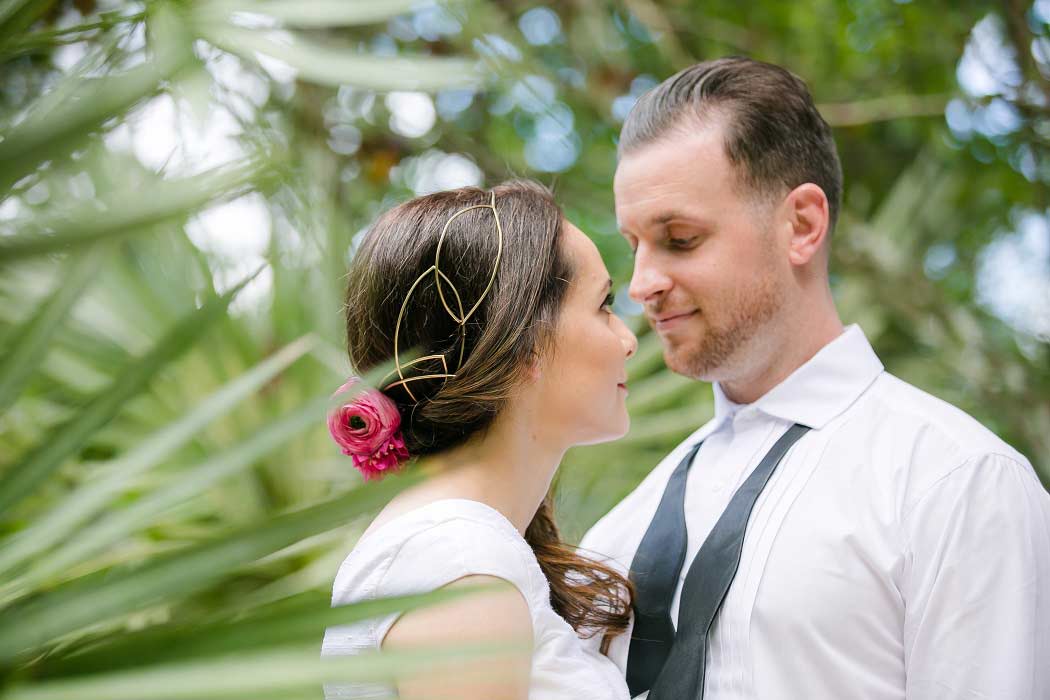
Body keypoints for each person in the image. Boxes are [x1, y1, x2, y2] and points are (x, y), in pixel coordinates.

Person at [580, 56, 1050, 700]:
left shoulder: (956, 483)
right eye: (634, 245)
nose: (643, 284)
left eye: (680, 239)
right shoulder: (619, 530)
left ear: (801, 225)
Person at [320, 180, 638, 699]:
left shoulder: (466, 551)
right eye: (604, 305)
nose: (627, 340)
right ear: (524, 343)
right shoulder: (458, 562)